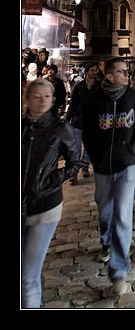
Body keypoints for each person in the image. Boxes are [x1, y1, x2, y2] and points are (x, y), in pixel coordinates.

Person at [82, 57, 135, 297]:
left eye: (127, 71)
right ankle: (106, 241)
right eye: (121, 71)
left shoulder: (132, 98)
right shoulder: (95, 101)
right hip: (102, 168)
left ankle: (118, 271)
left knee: (122, 216)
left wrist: (130, 150)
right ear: (108, 75)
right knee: (105, 211)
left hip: (126, 166)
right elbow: (87, 132)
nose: (126, 75)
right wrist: (96, 158)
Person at [22, 79, 81, 308]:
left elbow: (75, 162)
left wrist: (51, 180)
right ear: (27, 99)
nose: (42, 100)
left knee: (27, 275)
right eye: (37, 95)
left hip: (46, 205)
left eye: (47, 96)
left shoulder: (59, 128)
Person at [65, 62, 101, 184]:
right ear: (87, 72)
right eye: (92, 70)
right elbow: (73, 104)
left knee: (90, 148)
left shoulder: (99, 87)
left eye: (96, 70)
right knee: (76, 149)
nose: (95, 72)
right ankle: (73, 173)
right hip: (78, 121)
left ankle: (85, 166)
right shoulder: (79, 87)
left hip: (93, 122)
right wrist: (67, 120)